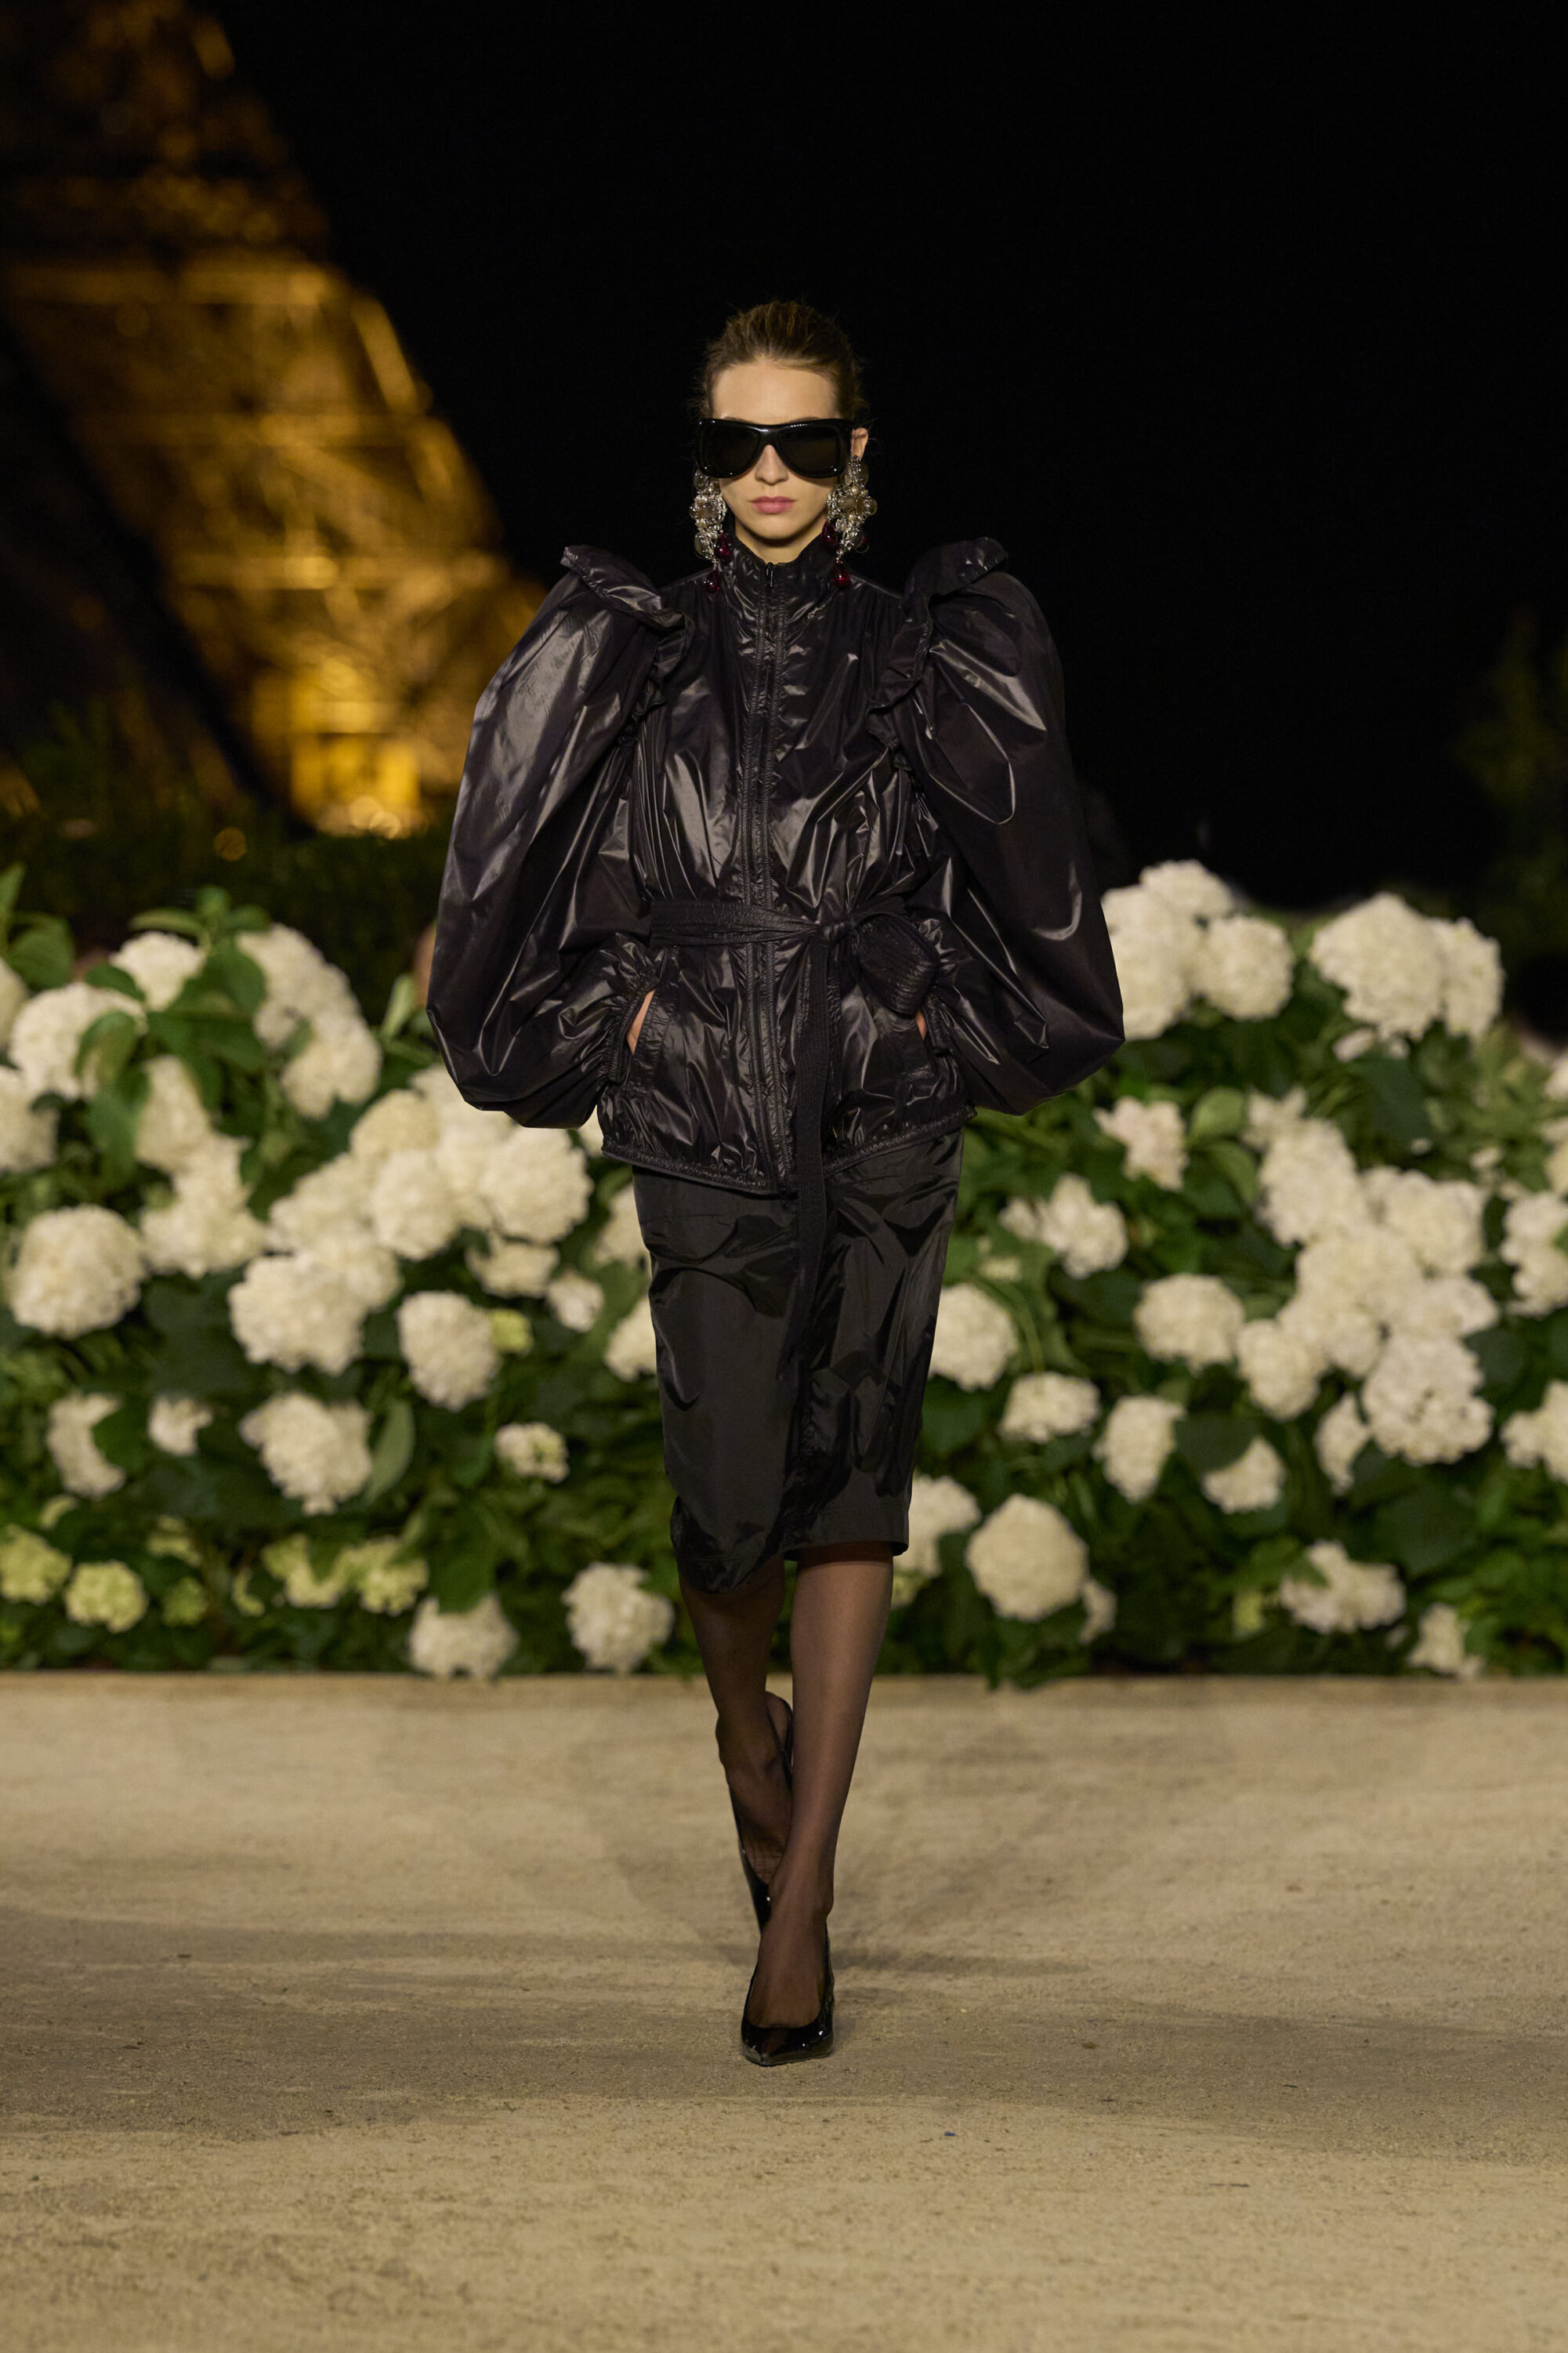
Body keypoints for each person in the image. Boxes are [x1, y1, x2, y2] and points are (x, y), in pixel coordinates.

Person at [428, 300, 1123, 2065]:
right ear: (702, 455)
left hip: (879, 1094)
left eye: (801, 441)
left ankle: (801, 1892)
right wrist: (631, 1016)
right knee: (728, 1494)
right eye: (737, 441)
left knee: (854, 1477)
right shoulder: (630, 651)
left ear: (852, 455)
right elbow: (520, 867)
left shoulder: (928, 647)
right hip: (694, 1094)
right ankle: (746, 1730)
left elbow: (1021, 866)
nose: (767, 473)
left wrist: (921, 1007)